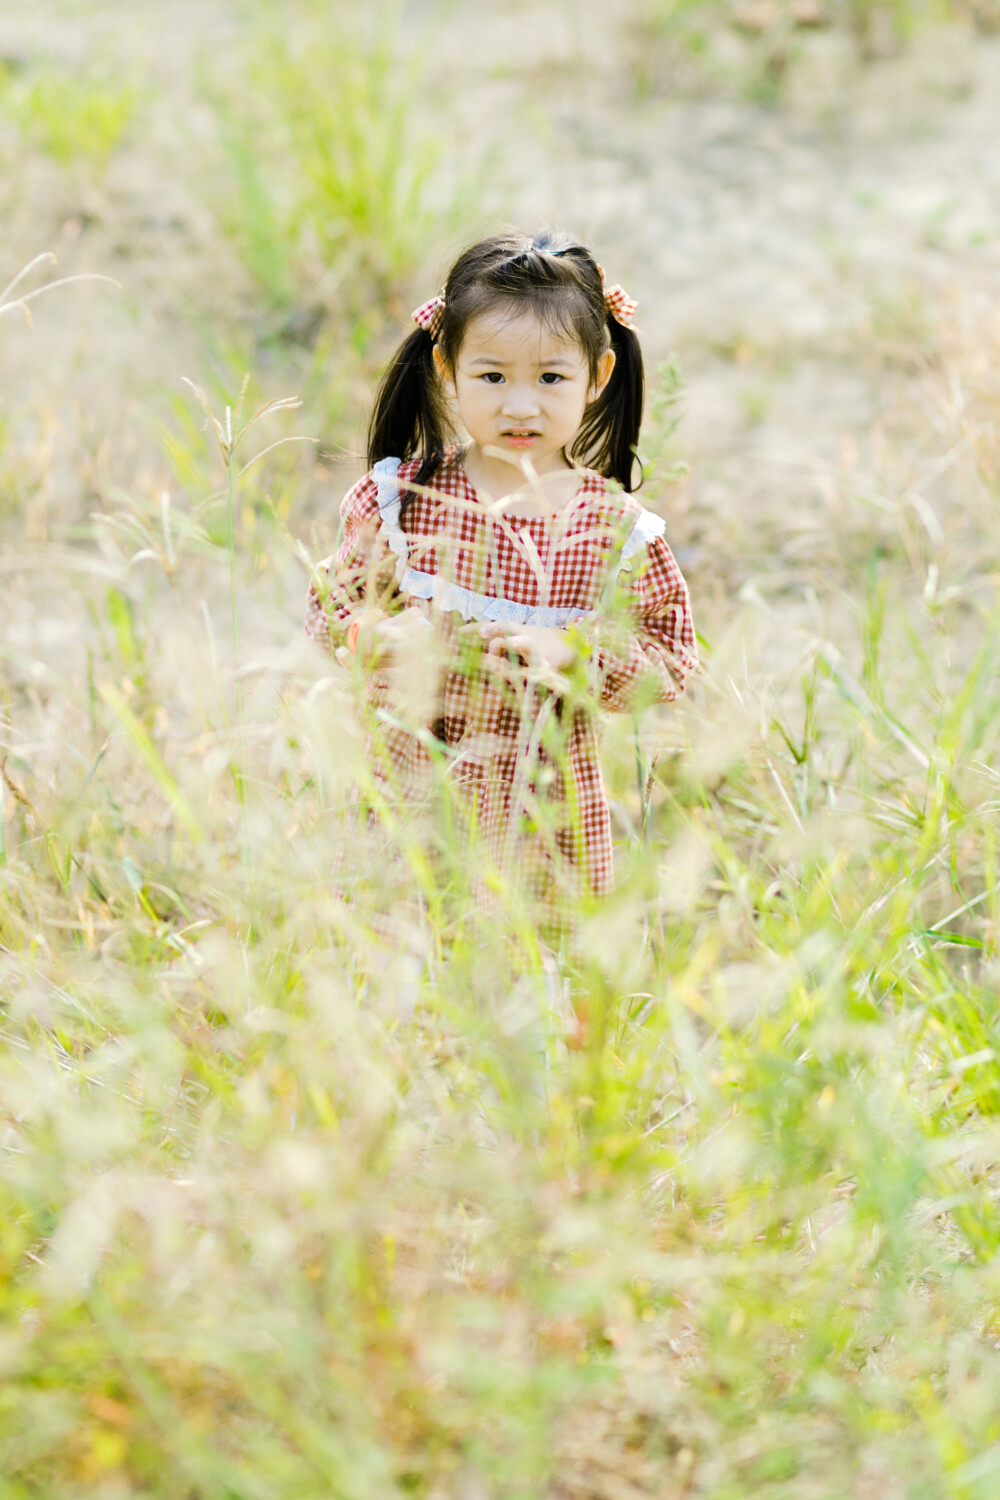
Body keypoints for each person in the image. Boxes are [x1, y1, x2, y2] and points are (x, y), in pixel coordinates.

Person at [306, 229, 697, 914]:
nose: (521, 405)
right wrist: (376, 635)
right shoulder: (407, 501)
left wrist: (573, 652)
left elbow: (671, 659)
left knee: (527, 978)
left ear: (598, 377)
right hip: (411, 793)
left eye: (551, 377)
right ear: (446, 371)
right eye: (492, 376)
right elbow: (330, 605)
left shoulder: (611, 532)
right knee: (406, 962)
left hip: (545, 816)